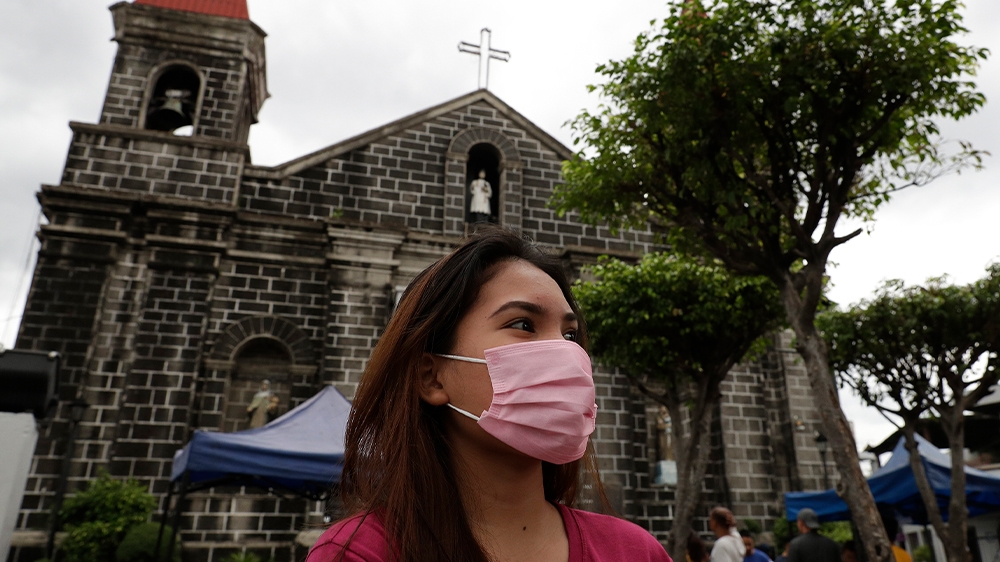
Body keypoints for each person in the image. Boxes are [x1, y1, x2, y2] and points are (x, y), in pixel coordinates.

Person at [306, 228, 672, 561]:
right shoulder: (361, 553)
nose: (565, 352)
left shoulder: (636, 551)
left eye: (570, 334)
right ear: (431, 378)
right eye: (523, 324)